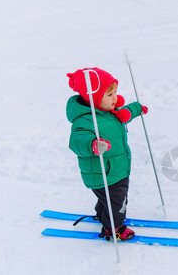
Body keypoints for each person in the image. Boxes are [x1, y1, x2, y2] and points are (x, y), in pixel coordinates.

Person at [66, 67, 148, 241]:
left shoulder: (109, 113)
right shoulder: (86, 120)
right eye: (109, 95)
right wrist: (92, 145)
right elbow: (77, 141)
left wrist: (137, 109)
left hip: (115, 170)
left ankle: (103, 213)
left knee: (110, 198)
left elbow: (125, 113)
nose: (115, 98)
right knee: (117, 201)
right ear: (94, 98)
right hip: (103, 173)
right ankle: (114, 227)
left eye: (115, 93)